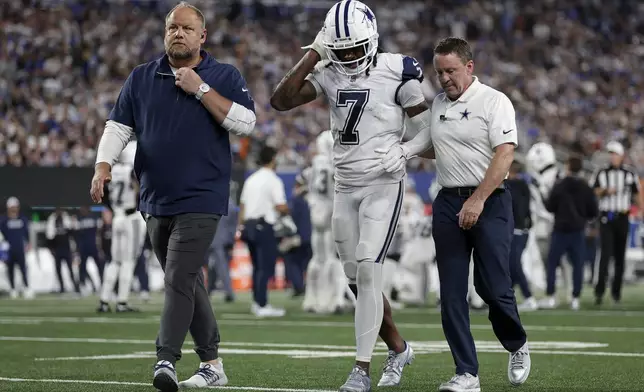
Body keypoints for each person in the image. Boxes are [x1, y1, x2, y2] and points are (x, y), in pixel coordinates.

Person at [89, 2, 256, 390]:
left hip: (202, 197)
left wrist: (200, 89)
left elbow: (246, 123)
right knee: (187, 282)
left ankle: (165, 360)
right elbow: (117, 126)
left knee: (179, 278)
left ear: (202, 36)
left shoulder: (223, 74)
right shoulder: (142, 76)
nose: (177, 33)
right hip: (154, 200)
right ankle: (213, 364)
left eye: (185, 28)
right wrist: (103, 165)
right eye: (171, 27)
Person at [270, 1, 424, 389]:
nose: (351, 57)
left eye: (356, 48)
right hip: (344, 185)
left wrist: (404, 149)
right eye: (342, 51)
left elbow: (429, 132)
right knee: (356, 278)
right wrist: (315, 53)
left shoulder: (398, 70)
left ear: (371, 39)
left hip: (382, 183)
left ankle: (361, 369)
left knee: (369, 268)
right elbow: (281, 100)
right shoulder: (328, 70)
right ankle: (399, 348)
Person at [378, 37, 530, 391]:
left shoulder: (494, 101)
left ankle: (517, 344)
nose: (444, 78)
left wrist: (477, 200)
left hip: (489, 199)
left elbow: (504, 154)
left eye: (451, 70)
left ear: (469, 67)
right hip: (447, 201)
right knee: (450, 293)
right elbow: (433, 146)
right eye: (439, 71)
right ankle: (467, 373)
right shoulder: (439, 106)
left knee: (492, 286)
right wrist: (401, 151)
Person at [541, 156, 598, 310]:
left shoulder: (559, 185)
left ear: (567, 167)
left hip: (560, 229)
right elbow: (593, 210)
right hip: (578, 230)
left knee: (552, 263)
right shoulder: (586, 187)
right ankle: (575, 298)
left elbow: (550, 207)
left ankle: (551, 296)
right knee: (578, 265)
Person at [590, 141, 643, 305]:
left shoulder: (629, 173)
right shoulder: (601, 172)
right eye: (610, 154)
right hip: (607, 217)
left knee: (620, 256)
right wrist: (605, 191)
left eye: (615, 154)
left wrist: (640, 210)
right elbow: (594, 190)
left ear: (621, 156)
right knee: (605, 255)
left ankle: (616, 293)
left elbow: (636, 194)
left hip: (623, 216)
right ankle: (599, 291)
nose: (612, 157)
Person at [238, 146, 288, 317]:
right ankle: (262, 304)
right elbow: (281, 206)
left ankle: (257, 302)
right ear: (273, 159)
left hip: (249, 226)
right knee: (265, 267)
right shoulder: (273, 180)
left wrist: (241, 227)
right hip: (264, 225)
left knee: (256, 266)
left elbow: (243, 206)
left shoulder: (251, 179)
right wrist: (288, 212)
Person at [97, 141, 146, 313]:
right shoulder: (130, 171)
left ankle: (104, 300)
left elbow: (103, 195)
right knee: (128, 260)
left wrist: (112, 209)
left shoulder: (110, 171)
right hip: (130, 218)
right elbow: (139, 188)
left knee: (115, 260)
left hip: (117, 217)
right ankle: (122, 301)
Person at [301, 130, 346, 314]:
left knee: (316, 259)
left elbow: (301, 184)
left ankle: (311, 300)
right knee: (333, 259)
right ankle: (335, 300)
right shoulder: (336, 164)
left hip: (316, 213)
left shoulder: (314, 165)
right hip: (331, 213)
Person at [506, 161, 537, 311]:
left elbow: (516, 208)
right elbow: (527, 208)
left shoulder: (511, 186)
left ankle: (528, 297)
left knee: (514, 265)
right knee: (512, 265)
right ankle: (506, 298)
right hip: (522, 229)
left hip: (515, 229)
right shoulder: (524, 185)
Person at [283, 174, 312, 298]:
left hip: (300, 236)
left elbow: (293, 219)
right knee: (308, 263)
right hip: (314, 236)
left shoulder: (297, 200)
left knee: (292, 261)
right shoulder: (313, 198)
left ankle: (298, 286)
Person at [0, 197, 32, 299]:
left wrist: (28, 243)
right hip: (9, 249)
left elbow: (26, 233)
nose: (14, 209)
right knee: (10, 270)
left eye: (15, 207)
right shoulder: (4, 220)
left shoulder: (22, 219)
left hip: (20, 248)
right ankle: (13, 289)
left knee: (23, 269)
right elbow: (1, 235)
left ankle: (26, 287)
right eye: (12, 207)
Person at [46, 207, 79, 295]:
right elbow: (49, 236)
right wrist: (51, 249)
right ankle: (61, 287)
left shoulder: (66, 219)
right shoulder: (52, 220)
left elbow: (72, 233)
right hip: (57, 249)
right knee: (58, 270)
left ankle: (76, 287)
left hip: (66, 248)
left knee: (70, 269)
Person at [73, 206, 102, 294]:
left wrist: (99, 247)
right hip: (83, 248)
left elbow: (99, 233)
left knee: (100, 267)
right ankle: (82, 285)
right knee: (82, 268)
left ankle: (103, 284)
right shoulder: (78, 218)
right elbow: (76, 235)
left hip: (94, 247)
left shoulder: (95, 216)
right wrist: (77, 248)